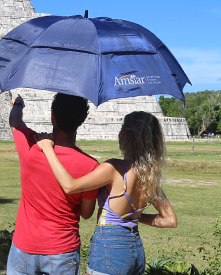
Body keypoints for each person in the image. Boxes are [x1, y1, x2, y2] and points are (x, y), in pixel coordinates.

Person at [37, 111, 177, 275]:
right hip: (136, 249)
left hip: (110, 249)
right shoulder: (149, 177)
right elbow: (169, 220)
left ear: (126, 135)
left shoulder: (114, 168)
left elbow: (70, 186)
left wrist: (47, 149)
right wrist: (136, 216)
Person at [7, 93, 100, 275]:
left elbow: (15, 122)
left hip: (25, 244)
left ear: (52, 116)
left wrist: (18, 104)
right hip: (62, 248)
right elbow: (86, 213)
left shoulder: (32, 145)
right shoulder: (90, 165)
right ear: (82, 119)